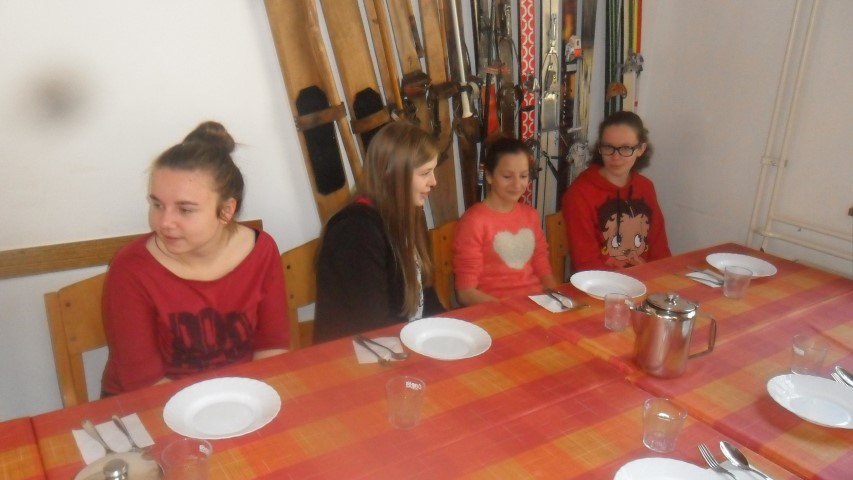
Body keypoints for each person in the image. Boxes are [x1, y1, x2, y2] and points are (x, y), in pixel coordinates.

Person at [101, 121, 289, 396]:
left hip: (237, 398)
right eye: (157, 205)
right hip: (147, 405)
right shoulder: (130, 269)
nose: (164, 222)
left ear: (226, 211)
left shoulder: (262, 250)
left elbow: (272, 347)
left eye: (185, 209)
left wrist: (249, 402)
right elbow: (143, 383)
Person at [314, 122, 444, 343]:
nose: (434, 182)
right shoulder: (356, 231)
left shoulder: (409, 216)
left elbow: (428, 301)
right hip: (357, 354)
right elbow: (372, 326)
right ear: (393, 174)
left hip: (401, 344)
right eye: (425, 173)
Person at [452, 136, 557, 305]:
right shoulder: (473, 222)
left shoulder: (530, 215)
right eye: (507, 176)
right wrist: (510, 310)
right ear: (489, 176)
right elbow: (465, 292)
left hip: (537, 304)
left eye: (523, 176)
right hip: (494, 310)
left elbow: (542, 266)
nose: (517, 184)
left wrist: (558, 298)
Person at [561, 111, 671, 272]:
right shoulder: (579, 194)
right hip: (601, 282)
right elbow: (585, 263)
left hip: (646, 278)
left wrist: (649, 272)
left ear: (641, 149)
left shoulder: (645, 187)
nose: (616, 157)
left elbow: (660, 251)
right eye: (608, 147)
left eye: (625, 148)